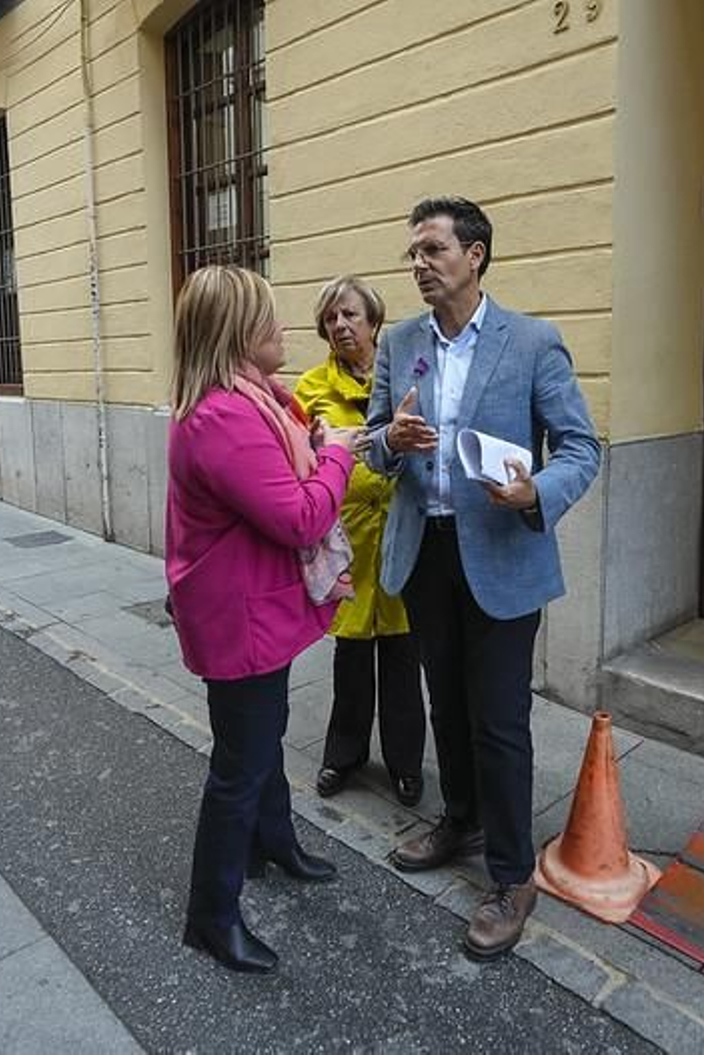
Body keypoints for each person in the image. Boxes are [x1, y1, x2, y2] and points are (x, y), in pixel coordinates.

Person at [366, 197, 600, 961]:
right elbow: (372, 446)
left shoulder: (533, 342)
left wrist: (538, 490)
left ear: (476, 255)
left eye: (432, 248)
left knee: (499, 719)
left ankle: (511, 874)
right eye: (414, 253)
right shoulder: (400, 342)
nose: (420, 264)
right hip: (426, 550)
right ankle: (459, 816)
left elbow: (579, 448)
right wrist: (391, 442)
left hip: (501, 552)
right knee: (448, 703)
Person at [166, 264, 362, 974]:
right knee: (239, 765)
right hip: (239, 617)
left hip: (253, 607)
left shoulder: (259, 402)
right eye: (270, 318)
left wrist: (322, 439)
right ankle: (210, 916)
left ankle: (271, 842)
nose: (283, 328)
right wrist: (337, 453)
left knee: (264, 736)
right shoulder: (225, 415)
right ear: (238, 333)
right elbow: (301, 514)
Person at [294, 275, 426, 808]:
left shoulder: (407, 380)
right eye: (331, 318)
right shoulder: (310, 389)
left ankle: (405, 765)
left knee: (401, 659)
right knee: (350, 662)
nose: (341, 325)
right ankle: (343, 756)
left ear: (374, 322)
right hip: (345, 539)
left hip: (399, 534)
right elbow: (302, 459)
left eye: (351, 315)